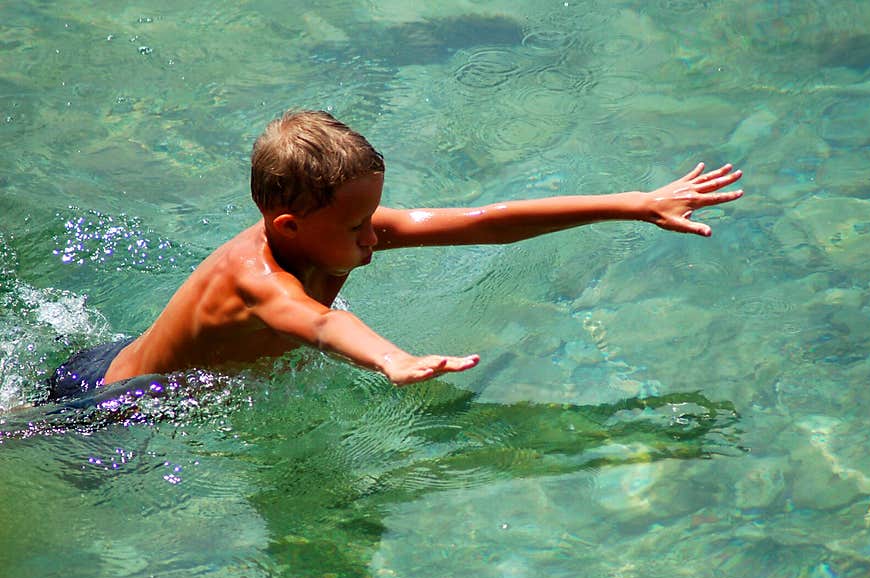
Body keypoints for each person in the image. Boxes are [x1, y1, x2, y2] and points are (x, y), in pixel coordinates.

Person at [47, 109, 743, 401]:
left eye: (373, 216)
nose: (374, 236)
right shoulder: (256, 279)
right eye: (357, 227)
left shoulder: (337, 230)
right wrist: (391, 356)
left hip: (132, 361)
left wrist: (631, 201)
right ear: (287, 227)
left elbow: (484, 223)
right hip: (116, 401)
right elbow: (319, 324)